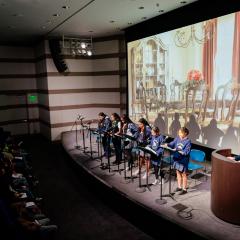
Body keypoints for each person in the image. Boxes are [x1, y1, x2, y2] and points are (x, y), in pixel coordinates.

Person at [165, 127, 191, 195]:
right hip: (176, 158)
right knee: (178, 172)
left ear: (185, 133)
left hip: (183, 160)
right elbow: (172, 143)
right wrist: (167, 144)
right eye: (179, 132)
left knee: (183, 174)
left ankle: (184, 189)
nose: (179, 134)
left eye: (180, 133)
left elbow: (187, 151)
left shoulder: (188, 141)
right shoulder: (177, 138)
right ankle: (179, 187)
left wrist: (180, 152)